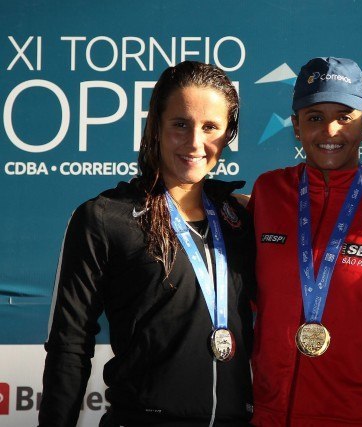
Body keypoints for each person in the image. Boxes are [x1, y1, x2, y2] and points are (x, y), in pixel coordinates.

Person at [39, 61, 255, 427]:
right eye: (180, 124)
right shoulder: (104, 217)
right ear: (155, 126)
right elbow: (69, 347)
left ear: (228, 134)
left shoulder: (243, 218)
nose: (194, 142)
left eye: (210, 127)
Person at [248, 57, 362, 426]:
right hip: (273, 414)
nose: (330, 130)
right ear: (296, 126)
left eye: (345, 116)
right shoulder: (268, 192)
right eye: (314, 116)